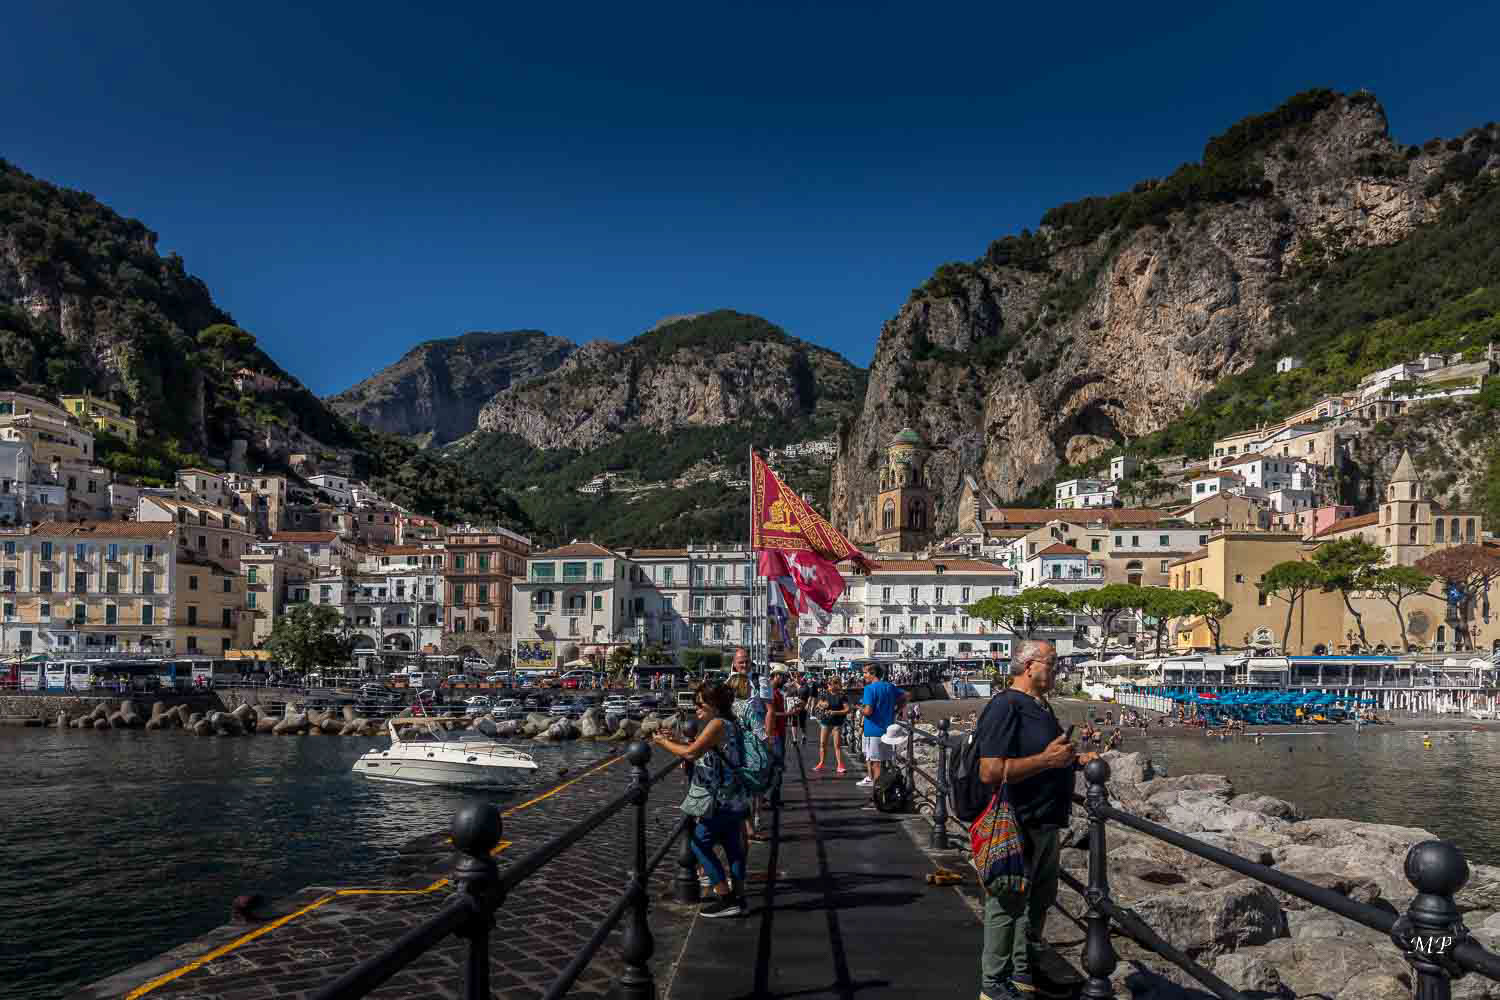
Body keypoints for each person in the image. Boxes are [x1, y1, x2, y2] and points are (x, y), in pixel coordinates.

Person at [976, 640, 1099, 1000]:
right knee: (1006, 905)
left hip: (1046, 821)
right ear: (1029, 665)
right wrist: (1046, 761)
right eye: (1053, 662)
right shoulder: (1004, 706)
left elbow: (1045, 753)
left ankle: (1023, 973)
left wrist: (1071, 759)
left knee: (1039, 902)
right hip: (1017, 821)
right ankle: (993, 985)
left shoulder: (1039, 706)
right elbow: (990, 771)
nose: (1058, 668)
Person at [654, 681, 749, 918]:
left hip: (720, 800)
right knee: (732, 847)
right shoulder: (731, 723)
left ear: (713, 705)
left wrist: (663, 742)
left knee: (699, 844)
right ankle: (739, 897)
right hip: (736, 797)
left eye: (700, 704)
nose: (695, 708)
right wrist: (677, 738)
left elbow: (692, 752)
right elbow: (705, 747)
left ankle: (725, 897)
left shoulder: (716, 724)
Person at [857, 663, 905, 789]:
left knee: (876, 763)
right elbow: (906, 695)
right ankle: (883, 788)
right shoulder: (889, 686)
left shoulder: (869, 689)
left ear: (873, 673)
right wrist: (897, 710)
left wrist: (859, 709)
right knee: (885, 762)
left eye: (866, 673)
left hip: (873, 729)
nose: (864, 675)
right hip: (887, 730)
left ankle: (878, 792)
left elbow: (868, 711)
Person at [813, 675, 849, 773]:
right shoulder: (824, 694)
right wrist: (822, 705)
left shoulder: (842, 696)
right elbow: (818, 705)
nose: (828, 685)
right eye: (829, 683)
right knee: (822, 743)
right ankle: (821, 763)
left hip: (837, 722)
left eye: (830, 683)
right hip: (826, 721)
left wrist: (835, 712)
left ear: (836, 684)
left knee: (837, 745)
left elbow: (847, 709)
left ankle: (840, 765)